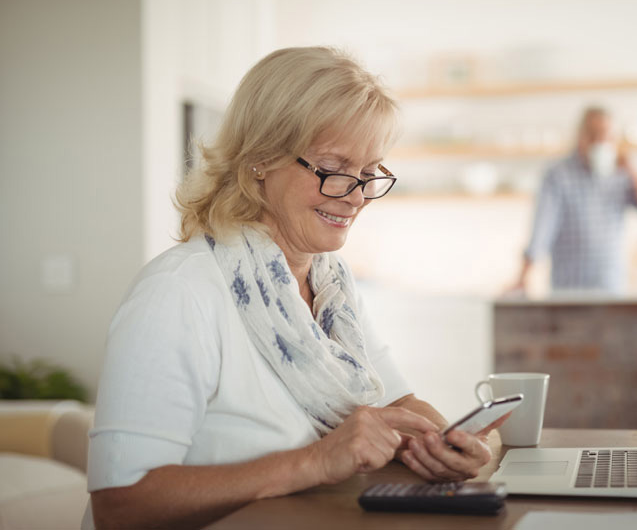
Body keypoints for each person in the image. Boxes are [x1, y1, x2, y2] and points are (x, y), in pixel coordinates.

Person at [84, 47, 505, 530]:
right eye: (333, 168)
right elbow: (121, 505)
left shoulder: (330, 285)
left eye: (369, 173)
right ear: (261, 159)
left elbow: (397, 404)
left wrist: (446, 444)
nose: (356, 196)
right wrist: (316, 461)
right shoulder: (178, 292)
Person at [510, 106, 637, 294]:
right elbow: (541, 230)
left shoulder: (621, 175)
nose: (600, 142)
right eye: (593, 135)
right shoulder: (557, 176)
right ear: (580, 136)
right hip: (568, 290)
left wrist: (632, 170)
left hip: (610, 287)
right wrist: (523, 278)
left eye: (606, 136)